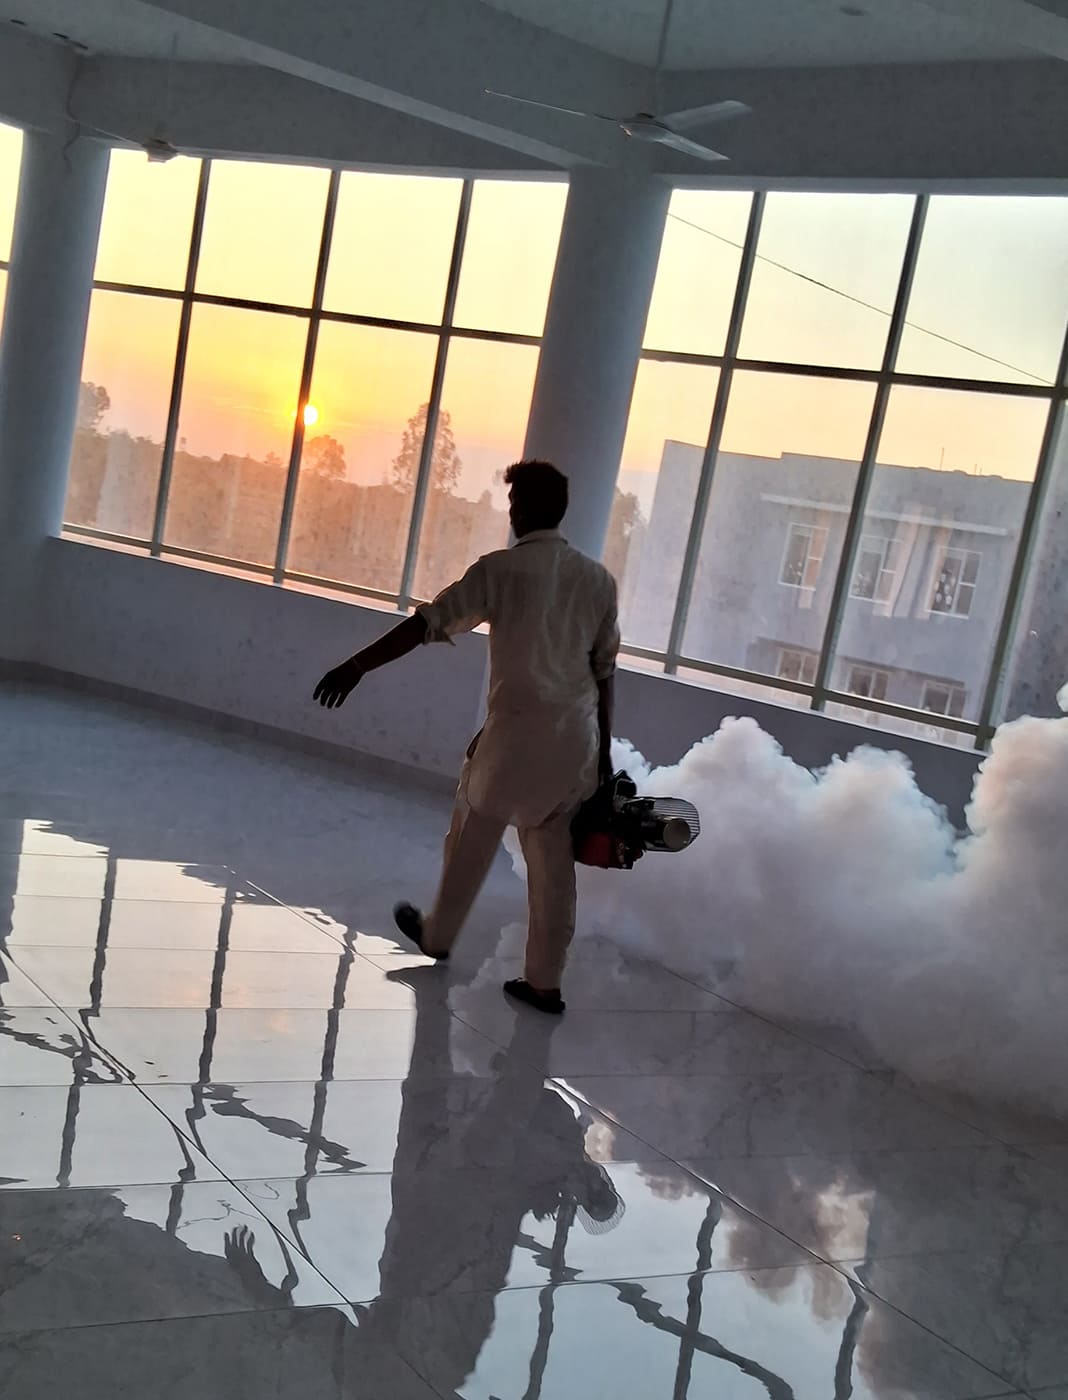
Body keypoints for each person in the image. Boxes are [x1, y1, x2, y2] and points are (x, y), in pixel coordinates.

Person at [313, 459, 619, 1014]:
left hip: (513, 741)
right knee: (553, 865)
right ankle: (544, 983)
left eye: (514, 502)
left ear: (523, 509)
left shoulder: (500, 570)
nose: (511, 511)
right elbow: (603, 674)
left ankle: (438, 935)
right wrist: (604, 756)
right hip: (576, 743)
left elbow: (427, 623)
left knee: (472, 830)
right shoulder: (598, 581)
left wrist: (356, 666)